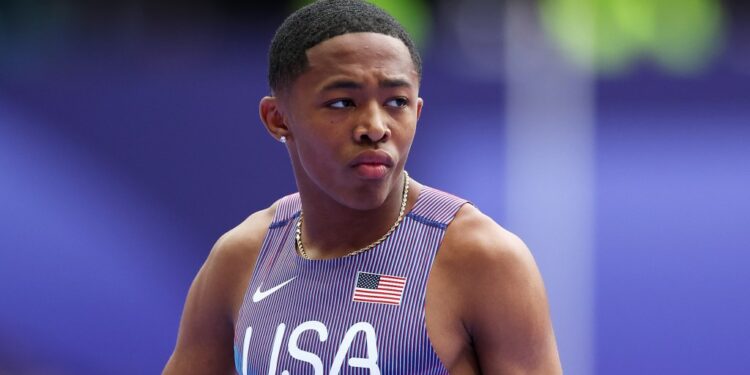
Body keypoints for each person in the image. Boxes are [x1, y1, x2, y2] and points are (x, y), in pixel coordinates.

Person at [163, 0, 561, 374]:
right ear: (277, 118)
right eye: (342, 103)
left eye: (397, 102)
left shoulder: (483, 259)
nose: (375, 127)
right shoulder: (242, 258)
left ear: (418, 112)